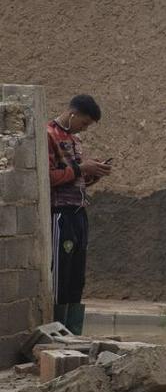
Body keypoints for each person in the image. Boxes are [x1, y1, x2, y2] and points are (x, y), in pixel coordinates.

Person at [47, 95, 110, 335]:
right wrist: (81, 169)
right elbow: (50, 177)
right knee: (61, 274)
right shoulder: (49, 134)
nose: (84, 129)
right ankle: (56, 333)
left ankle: (73, 334)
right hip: (60, 213)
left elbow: (74, 177)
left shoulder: (74, 139)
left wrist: (93, 173)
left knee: (76, 276)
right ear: (73, 114)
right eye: (84, 123)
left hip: (79, 210)